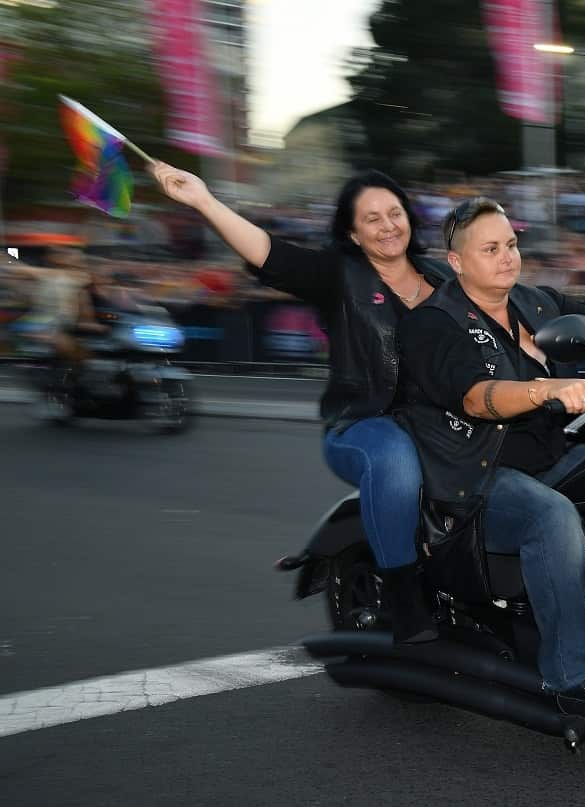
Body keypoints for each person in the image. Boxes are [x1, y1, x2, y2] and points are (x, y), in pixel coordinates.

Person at [151, 162, 451, 644]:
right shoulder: (337, 274)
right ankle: (403, 592)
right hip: (364, 424)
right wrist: (204, 201)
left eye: (394, 213)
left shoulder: (441, 277)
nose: (387, 225)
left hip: (442, 424)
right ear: (352, 234)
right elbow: (269, 255)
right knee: (396, 463)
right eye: (371, 218)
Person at [395, 197, 585, 723]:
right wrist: (545, 389)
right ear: (457, 262)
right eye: (490, 248)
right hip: (473, 476)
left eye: (511, 244)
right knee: (549, 515)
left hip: (552, 455)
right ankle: (571, 681)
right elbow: (475, 397)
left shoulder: (537, 303)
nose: (507, 256)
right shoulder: (433, 323)